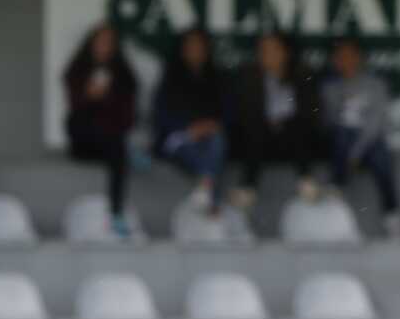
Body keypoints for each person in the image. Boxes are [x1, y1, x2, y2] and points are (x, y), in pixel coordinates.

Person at [321, 36, 400, 238]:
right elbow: (330, 121)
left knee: (382, 159)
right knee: (341, 138)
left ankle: (393, 219)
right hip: (342, 140)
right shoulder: (330, 87)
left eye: (350, 56)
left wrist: (355, 153)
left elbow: (375, 125)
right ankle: (333, 213)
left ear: (360, 58)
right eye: (340, 56)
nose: (346, 61)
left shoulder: (375, 84)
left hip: (368, 141)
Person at [230, 31, 324, 209]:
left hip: (293, 138)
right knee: (255, 130)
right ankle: (247, 188)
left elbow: (312, 112)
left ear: (285, 52)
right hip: (261, 138)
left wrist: (284, 121)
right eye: (263, 50)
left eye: (273, 50)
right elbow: (244, 114)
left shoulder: (302, 74)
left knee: (298, 128)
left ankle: (306, 181)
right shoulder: (250, 77)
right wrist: (268, 121)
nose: (267, 55)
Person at [61, 23, 139, 234]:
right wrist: (89, 95)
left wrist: (108, 97)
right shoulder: (77, 70)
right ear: (91, 44)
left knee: (117, 148)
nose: (104, 47)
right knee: (109, 140)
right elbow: (75, 108)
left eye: (109, 43)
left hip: (112, 143)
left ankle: (116, 214)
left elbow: (128, 115)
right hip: (84, 142)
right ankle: (131, 154)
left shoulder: (124, 74)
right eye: (100, 42)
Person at [151, 28, 231, 215]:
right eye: (191, 46)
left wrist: (209, 126)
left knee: (217, 141)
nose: (195, 51)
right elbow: (161, 115)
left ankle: (205, 187)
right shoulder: (170, 77)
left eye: (199, 46)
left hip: (210, 136)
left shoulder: (217, 77)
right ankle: (211, 200)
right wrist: (188, 128)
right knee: (199, 151)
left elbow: (229, 112)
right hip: (180, 137)